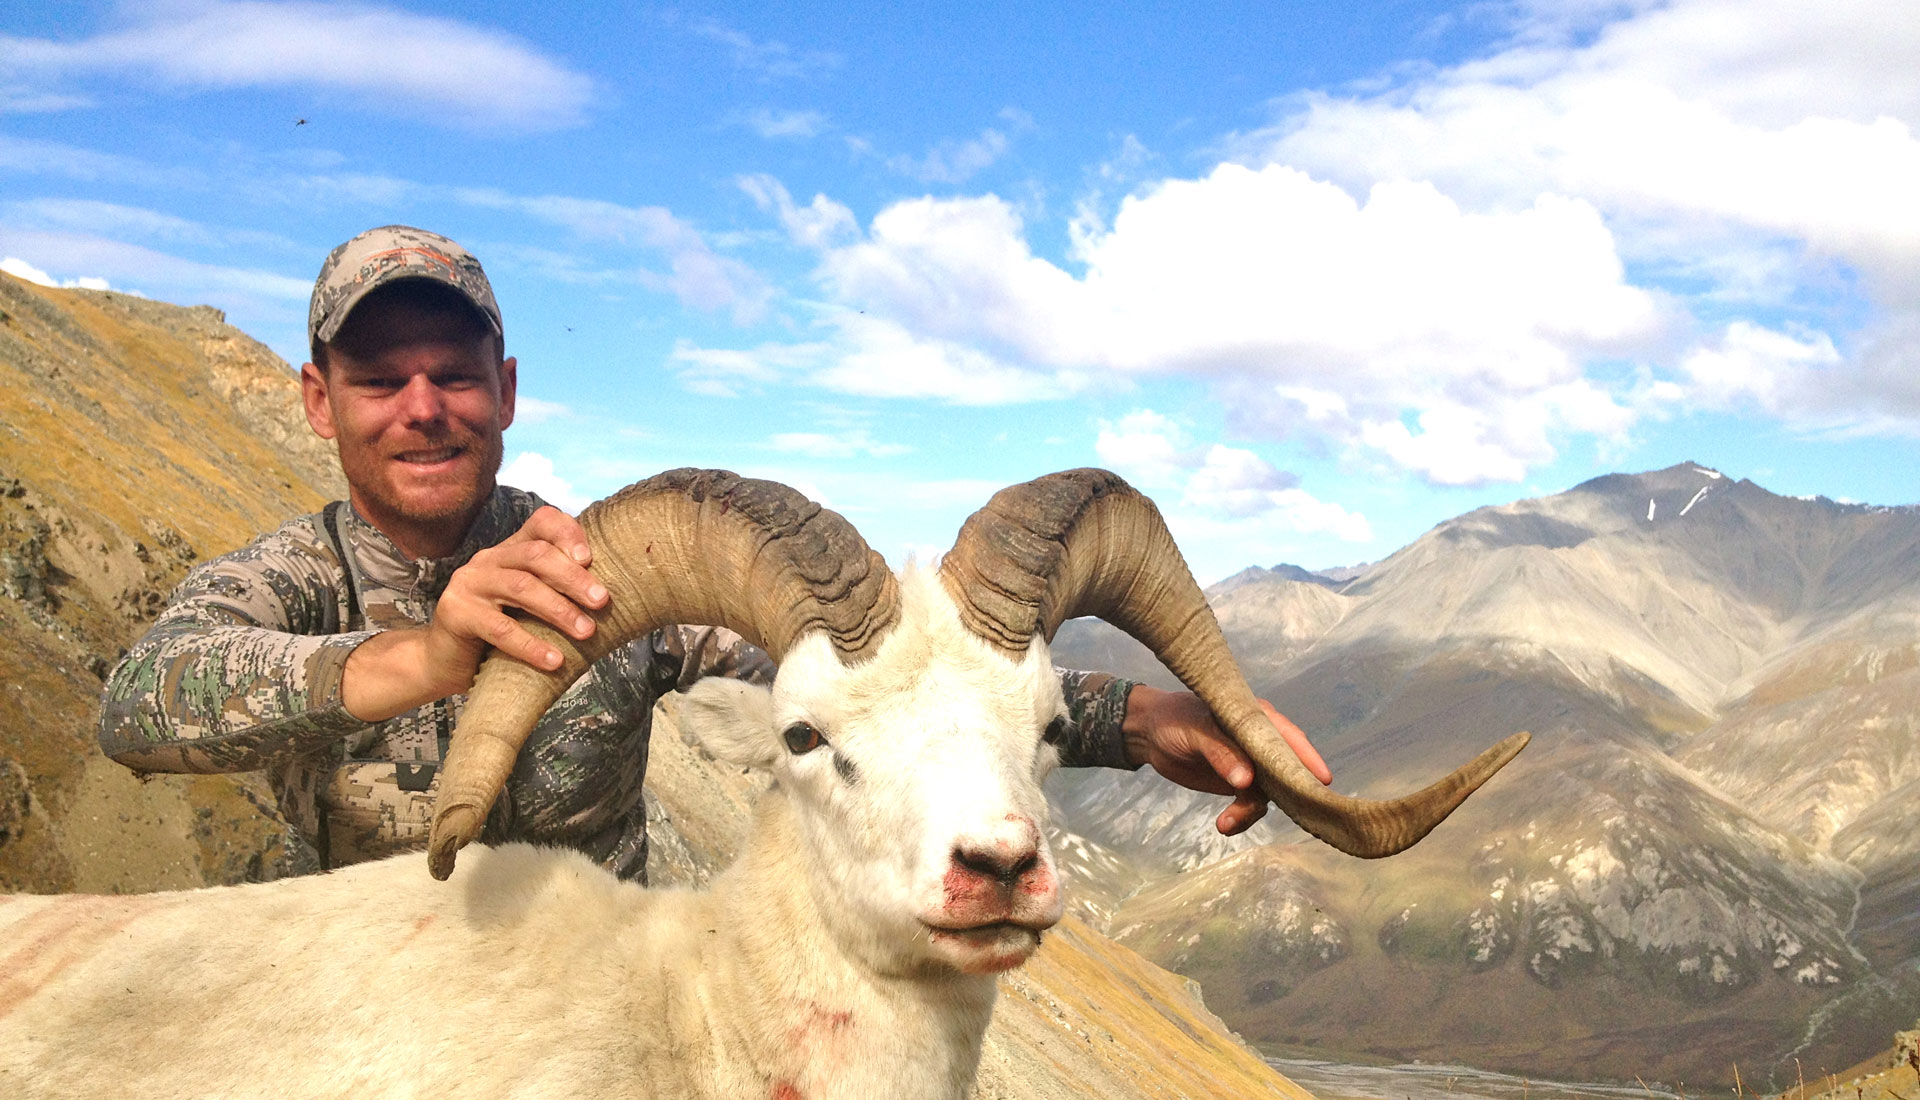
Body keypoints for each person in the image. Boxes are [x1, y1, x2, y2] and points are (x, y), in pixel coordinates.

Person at [98, 224, 1330, 882]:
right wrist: (421, 655)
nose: (423, 407)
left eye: (455, 373)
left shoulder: (596, 573)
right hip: (368, 1019)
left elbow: (864, 687)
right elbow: (140, 704)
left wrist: (1141, 717)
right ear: (320, 401)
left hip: (602, 1017)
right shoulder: (287, 580)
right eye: (379, 379)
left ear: (506, 389)